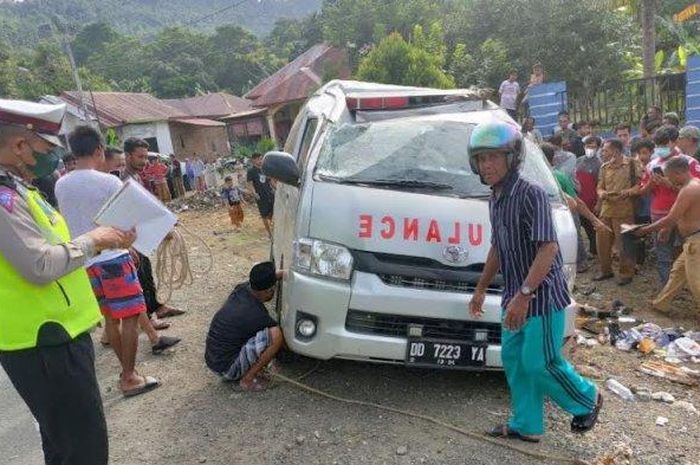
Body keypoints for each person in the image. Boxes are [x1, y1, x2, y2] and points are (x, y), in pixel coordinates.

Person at [0, 99, 136, 465]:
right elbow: (39, 263)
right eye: (46, 150)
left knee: (64, 444)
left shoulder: (20, 190)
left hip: (54, 335)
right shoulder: (3, 199)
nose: (53, 160)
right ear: (19, 146)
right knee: (83, 449)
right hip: (44, 340)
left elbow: (52, 246)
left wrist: (103, 238)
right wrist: (94, 241)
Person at [467, 121, 601, 442]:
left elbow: (548, 247)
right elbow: (498, 247)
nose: (487, 165)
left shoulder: (532, 194)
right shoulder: (495, 198)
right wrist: (482, 288)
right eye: (482, 158)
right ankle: (526, 425)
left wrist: (524, 295)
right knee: (514, 361)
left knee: (539, 362)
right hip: (514, 295)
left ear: (511, 158)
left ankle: (588, 398)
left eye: (494, 157)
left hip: (540, 298)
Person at [56, 126, 161, 397]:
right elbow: (128, 227)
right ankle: (129, 376)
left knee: (110, 318)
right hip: (114, 257)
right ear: (99, 150)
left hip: (86, 261)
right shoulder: (109, 182)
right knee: (129, 317)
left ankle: (127, 372)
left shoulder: (61, 183)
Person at [122, 137, 187, 324]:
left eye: (145, 157)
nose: (144, 161)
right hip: (131, 237)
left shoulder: (135, 176)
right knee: (139, 276)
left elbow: (145, 204)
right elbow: (132, 211)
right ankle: (147, 318)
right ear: (127, 156)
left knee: (146, 271)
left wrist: (165, 221)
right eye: (140, 157)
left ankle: (156, 307)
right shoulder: (123, 179)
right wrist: (158, 229)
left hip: (139, 235)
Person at [205, 262, 285, 392]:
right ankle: (247, 379)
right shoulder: (254, 313)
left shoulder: (242, 289)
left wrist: (286, 273)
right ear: (268, 291)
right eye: (273, 289)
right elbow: (282, 342)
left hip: (214, 360)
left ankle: (247, 370)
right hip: (227, 369)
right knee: (276, 335)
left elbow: (265, 279)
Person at [635, 157, 700, 316]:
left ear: (678, 173)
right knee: (677, 273)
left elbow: (671, 217)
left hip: (696, 241)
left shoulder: (689, 189)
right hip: (692, 240)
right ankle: (661, 303)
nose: (668, 181)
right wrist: (666, 229)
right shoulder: (693, 184)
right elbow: (680, 215)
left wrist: (646, 229)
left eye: (669, 176)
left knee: (696, 282)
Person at [639, 126, 700, 285]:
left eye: (664, 144)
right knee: (662, 253)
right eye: (657, 145)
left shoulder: (689, 163)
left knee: (687, 251)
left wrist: (669, 184)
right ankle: (666, 286)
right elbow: (643, 191)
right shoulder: (653, 164)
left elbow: (694, 189)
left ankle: (687, 284)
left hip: (685, 215)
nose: (660, 149)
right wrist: (652, 183)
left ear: (674, 142)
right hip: (658, 212)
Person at [542, 143, 609, 272]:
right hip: (564, 217)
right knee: (573, 236)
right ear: (553, 159)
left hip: (545, 222)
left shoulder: (528, 177)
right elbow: (576, 202)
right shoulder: (559, 176)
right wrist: (594, 220)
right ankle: (578, 263)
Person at [594, 138, 643, 286]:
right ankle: (605, 270)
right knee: (602, 242)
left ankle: (626, 273)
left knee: (624, 244)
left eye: (605, 150)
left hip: (624, 210)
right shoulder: (604, 167)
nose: (602, 152)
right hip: (606, 210)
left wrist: (628, 192)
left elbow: (640, 186)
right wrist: (601, 193)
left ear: (615, 151)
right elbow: (599, 186)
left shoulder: (632, 164)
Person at [575, 135, 603, 256]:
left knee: (592, 227)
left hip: (592, 200)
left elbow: (601, 185)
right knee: (583, 226)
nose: (590, 149)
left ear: (598, 148)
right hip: (580, 199)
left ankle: (595, 250)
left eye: (593, 147)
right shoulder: (579, 161)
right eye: (588, 146)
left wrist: (598, 203)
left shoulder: (600, 164)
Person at [630, 138, 655, 266]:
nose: (641, 156)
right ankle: (640, 260)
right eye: (638, 154)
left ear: (651, 153)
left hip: (653, 207)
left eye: (644, 153)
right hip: (639, 207)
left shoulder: (656, 168)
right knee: (639, 232)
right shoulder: (632, 168)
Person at [247, 152, 275, 238]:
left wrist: (276, 189)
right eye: (258, 159)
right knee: (264, 215)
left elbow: (271, 181)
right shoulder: (251, 171)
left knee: (272, 213)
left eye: (261, 159)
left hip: (270, 194)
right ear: (253, 160)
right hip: (260, 196)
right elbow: (249, 184)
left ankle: (274, 229)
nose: (260, 161)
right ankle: (270, 233)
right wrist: (254, 193)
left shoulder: (265, 169)